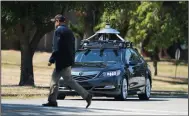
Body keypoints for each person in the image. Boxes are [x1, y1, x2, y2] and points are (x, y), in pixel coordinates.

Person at [42, 14, 92, 108]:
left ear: (58, 21)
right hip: (68, 61)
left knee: (54, 81)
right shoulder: (69, 31)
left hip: (61, 62)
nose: (54, 24)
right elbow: (72, 48)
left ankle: (52, 101)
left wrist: (52, 59)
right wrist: (71, 61)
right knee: (69, 81)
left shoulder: (58, 31)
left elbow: (57, 47)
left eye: (55, 22)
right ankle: (87, 96)